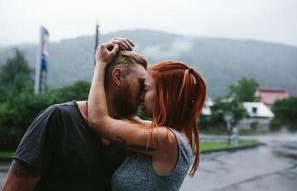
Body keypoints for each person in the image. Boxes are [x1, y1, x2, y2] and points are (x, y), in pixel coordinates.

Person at [2, 39, 148, 191]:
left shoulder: (129, 134)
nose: (144, 95)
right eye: (141, 84)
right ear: (117, 76)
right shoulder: (58, 118)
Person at [87, 40, 207, 190]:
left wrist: (100, 63)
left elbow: (98, 121)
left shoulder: (166, 139)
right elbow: (124, 117)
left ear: (165, 95)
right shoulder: (166, 133)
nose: (141, 96)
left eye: (146, 88)